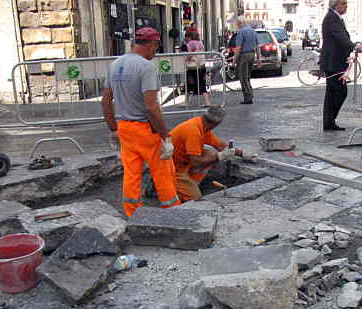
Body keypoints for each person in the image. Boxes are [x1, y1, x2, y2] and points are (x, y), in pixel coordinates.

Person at [102, 27, 181, 217]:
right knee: (163, 170)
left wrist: (113, 129)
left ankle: (132, 214)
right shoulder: (146, 67)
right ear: (152, 44)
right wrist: (165, 136)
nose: (156, 52)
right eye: (156, 47)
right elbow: (151, 107)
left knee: (131, 173)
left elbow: (105, 101)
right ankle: (173, 211)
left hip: (125, 128)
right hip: (145, 129)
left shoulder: (115, 65)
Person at [170, 105, 253, 202]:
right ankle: (176, 189)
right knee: (195, 199)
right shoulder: (193, 131)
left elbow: (221, 146)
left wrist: (242, 153)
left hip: (182, 162)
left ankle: (192, 182)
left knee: (211, 154)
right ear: (217, 123)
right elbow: (195, 162)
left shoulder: (202, 125)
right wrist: (220, 156)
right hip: (172, 168)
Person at [320, 0, 362, 131]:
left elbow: (341, 37)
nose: (346, 6)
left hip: (334, 62)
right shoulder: (332, 18)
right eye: (343, 3)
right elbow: (340, 37)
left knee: (332, 92)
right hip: (333, 62)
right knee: (340, 91)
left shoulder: (335, 18)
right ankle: (329, 120)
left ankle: (329, 122)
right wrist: (354, 45)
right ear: (335, 5)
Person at [233, 16, 262, 104]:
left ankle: (248, 96)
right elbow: (257, 46)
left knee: (243, 77)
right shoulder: (253, 31)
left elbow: (238, 48)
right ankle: (250, 93)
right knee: (247, 76)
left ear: (240, 23)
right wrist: (258, 59)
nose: (236, 25)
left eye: (237, 23)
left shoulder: (241, 32)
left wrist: (234, 60)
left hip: (244, 55)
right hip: (252, 55)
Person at [185, 31, 211, 107]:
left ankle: (186, 102)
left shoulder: (190, 43)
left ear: (190, 37)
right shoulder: (200, 43)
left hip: (193, 67)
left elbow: (189, 54)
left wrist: (186, 59)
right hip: (202, 66)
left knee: (189, 84)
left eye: (187, 37)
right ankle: (207, 101)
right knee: (202, 84)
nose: (186, 39)